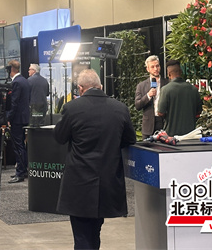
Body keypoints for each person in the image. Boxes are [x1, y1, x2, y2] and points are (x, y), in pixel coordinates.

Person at [55, 69, 136, 250]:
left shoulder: (72, 108)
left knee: (82, 235)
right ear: (101, 86)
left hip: (79, 182)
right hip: (108, 180)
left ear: (80, 88)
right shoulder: (120, 108)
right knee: (95, 232)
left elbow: (60, 137)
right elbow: (130, 139)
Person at [157, 60, 202, 136]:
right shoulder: (193, 89)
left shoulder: (165, 89)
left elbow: (161, 112)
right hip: (190, 134)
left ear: (169, 74)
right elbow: (198, 112)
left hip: (171, 135)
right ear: (181, 72)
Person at [6, 60, 30, 184]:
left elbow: (14, 103)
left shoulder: (16, 82)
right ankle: (23, 170)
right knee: (22, 145)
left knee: (17, 146)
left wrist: (8, 118)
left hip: (17, 119)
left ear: (11, 69)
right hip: (24, 117)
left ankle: (20, 172)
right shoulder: (25, 81)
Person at [135, 55, 169, 140]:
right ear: (148, 69)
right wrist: (148, 95)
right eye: (152, 67)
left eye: (157, 66)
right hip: (148, 126)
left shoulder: (167, 83)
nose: (155, 69)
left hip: (164, 123)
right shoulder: (141, 86)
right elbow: (137, 105)